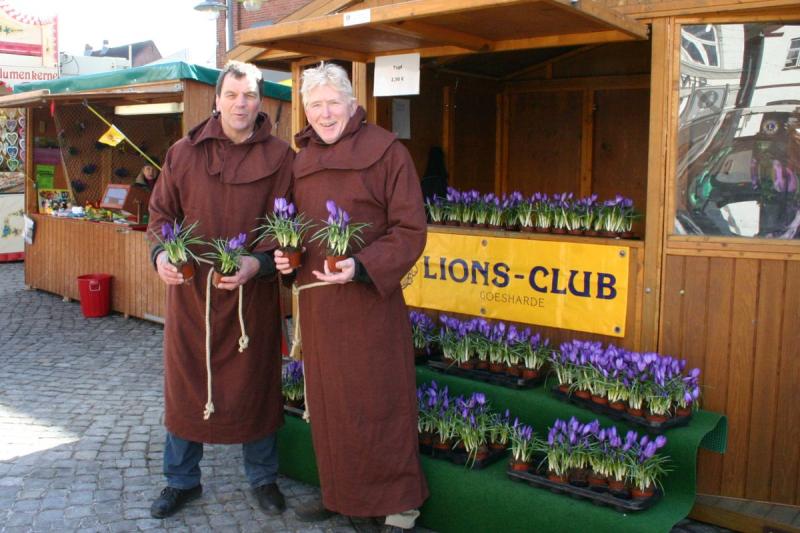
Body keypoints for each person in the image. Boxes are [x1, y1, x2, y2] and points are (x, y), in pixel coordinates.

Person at [275, 62, 429, 533]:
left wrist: (361, 266)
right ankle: (341, 494)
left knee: (378, 401)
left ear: (351, 103)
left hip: (369, 305)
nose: (324, 114)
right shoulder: (299, 158)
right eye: (315, 105)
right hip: (320, 305)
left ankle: (399, 503)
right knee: (327, 403)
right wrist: (288, 256)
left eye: (332, 103)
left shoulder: (386, 152)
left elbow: (410, 230)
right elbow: (291, 226)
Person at [146, 60, 293, 519]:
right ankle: (181, 480)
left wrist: (258, 262)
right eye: (231, 95)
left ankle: (263, 479)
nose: (240, 104)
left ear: (261, 100)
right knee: (187, 384)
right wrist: (162, 256)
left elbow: (286, 226)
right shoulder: (183, 153)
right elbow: (160, 218)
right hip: (193, 296)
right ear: (217, 100)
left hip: (252, 297)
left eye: (248, 95)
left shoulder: (283, 158)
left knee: (256, 385)